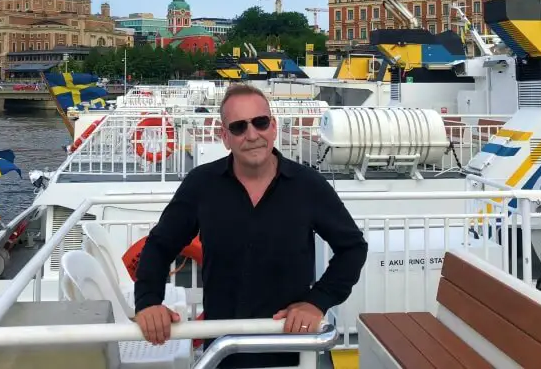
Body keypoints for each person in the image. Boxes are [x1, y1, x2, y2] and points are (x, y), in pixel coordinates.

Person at [133, 83, 368, 368]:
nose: (252, 134)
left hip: (289, 350)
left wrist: (317, 301)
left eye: (260, 122)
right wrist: (148, 303)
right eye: (239, 127)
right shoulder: (202, 185)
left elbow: (352, 248)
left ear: (273, 127)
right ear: (225, 137)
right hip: (223, 351)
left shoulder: (308, 186)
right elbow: (159, 246)